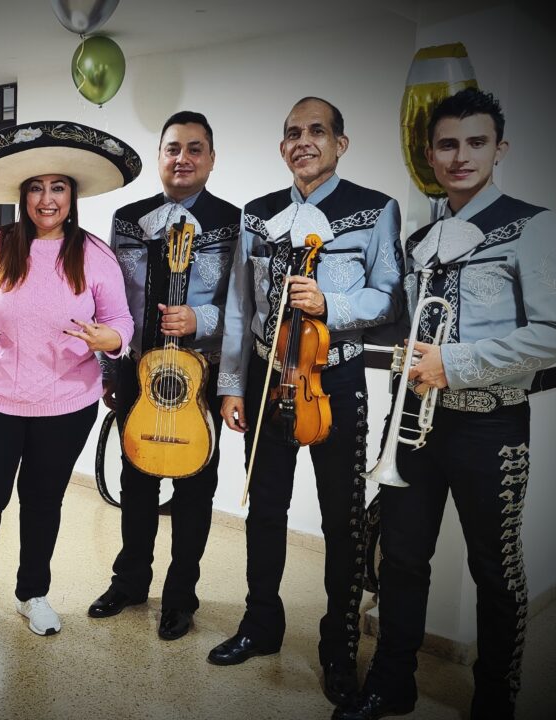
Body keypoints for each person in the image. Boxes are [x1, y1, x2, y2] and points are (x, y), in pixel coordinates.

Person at [336, 89, 556, 720]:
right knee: (402, 560)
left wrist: (458, 362)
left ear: (500, 149)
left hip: (490, 427)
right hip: (414, 426)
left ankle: (496, 697)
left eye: (476, 142)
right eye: (448, 144)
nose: (461, 156)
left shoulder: (534, 224)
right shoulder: (422, 239)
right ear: (430, 153)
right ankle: (392, 683)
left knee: (495, 569)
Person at [211, 97, 403, 709]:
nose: (304, 142)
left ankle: (338, 649)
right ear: (283, 147)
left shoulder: (375, 209)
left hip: (333, 381)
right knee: (263, 511)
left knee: (341, 522)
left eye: (317, 132)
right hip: (268, 382)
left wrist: (332, 306)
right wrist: (232, 385)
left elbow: (391, 301)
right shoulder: (258, 216)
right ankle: (261, 624)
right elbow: (241, 309)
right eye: (293, 133)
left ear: (340, 144)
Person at [0, 121, 137, 638]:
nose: (46, 198)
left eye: (58, 188)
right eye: (36, 188)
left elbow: (121, 321)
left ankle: (34, 593)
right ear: (22, 195)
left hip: (67, 404)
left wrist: (109, 341)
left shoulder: (94, 253)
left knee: (43, 501)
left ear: (72, 196)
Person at [88, 111, 241, 642]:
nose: (183, 158)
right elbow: (113, 301)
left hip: (202, 373)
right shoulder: (129, 219)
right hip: (137, 370)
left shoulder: (232, 221)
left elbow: (244, 306)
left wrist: (204, 320)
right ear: (159, 157)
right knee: (136, 482)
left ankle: (181, 597)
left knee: (195, 490)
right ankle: (130, 582)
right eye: (173, 148)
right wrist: (112, 370)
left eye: (195, 149)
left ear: (211, 159)